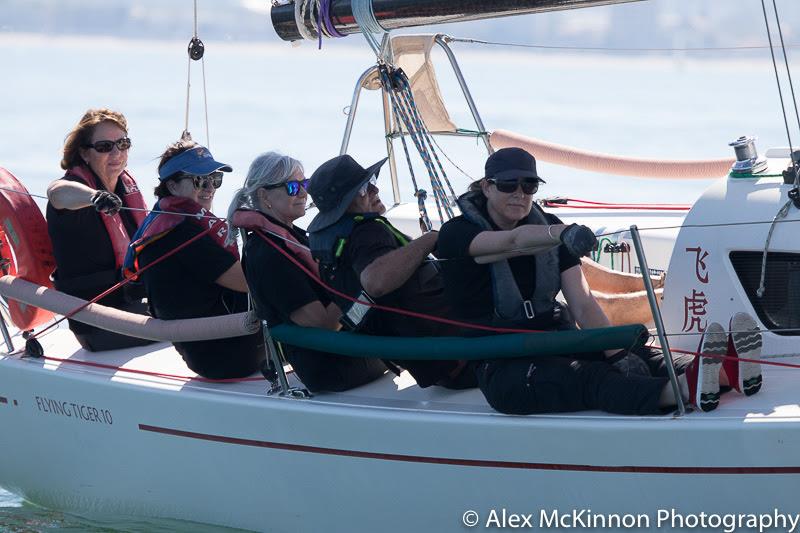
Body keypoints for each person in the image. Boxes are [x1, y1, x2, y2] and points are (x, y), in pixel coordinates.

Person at [436, 147, 758, 414]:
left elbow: (583, 303)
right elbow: (513, 242)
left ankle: (722, 372)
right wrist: (561, 234)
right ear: (487, 186)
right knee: (591, 378)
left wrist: (617, 353)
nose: (520, 194)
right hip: (502, 368)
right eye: (508, 185)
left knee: (639, 353)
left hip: (556, 343)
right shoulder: (458, 233)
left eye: (529, 186)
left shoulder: (548, 225)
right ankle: (682, 392)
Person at [307, 155, 474, 390]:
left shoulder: (334, 246)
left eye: (371, 180)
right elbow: (375, 281)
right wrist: (431, 238)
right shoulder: (368, 232)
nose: (375, 188)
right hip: (464, 360)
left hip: (435, 366)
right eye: (364, 188)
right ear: (345, 204)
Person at [229, 152, 387, 392]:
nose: (303, 193)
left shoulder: (289, 236)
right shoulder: (266, 254)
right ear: (264, 196)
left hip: (346, 348)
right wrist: (362, 277)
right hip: (334, 368)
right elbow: (322, 323)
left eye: (305, 184)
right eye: (293, 187)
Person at [124, 140, 264, 379]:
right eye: (200, 180)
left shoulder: (169, 220)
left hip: (211, 349)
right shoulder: (181, 232)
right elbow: (248, 282)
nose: (210, 188)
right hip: (225, 356)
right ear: (173, 186)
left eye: (215, 179)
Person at [46, 108, 154, 352]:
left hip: (132, 306)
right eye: (105, 146)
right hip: (96, 324)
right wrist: (95, 197)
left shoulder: (126, 189)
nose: (116, 153)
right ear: (84, 153)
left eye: (123, 144)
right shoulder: (74, 191)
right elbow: (57, 193)